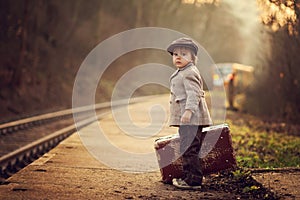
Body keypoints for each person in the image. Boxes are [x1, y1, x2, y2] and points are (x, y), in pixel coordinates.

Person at [167, 37, 212, 190]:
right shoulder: (182, 72)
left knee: (189, 148)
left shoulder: (189, 72)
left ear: (193, 58)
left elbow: (194, 94)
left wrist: (188, 111)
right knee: (187, 147)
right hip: (187, 120)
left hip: (191, 119)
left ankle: (193, 181)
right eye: (175, 54)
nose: (178, 57)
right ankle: (189, 176)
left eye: (184, 54)